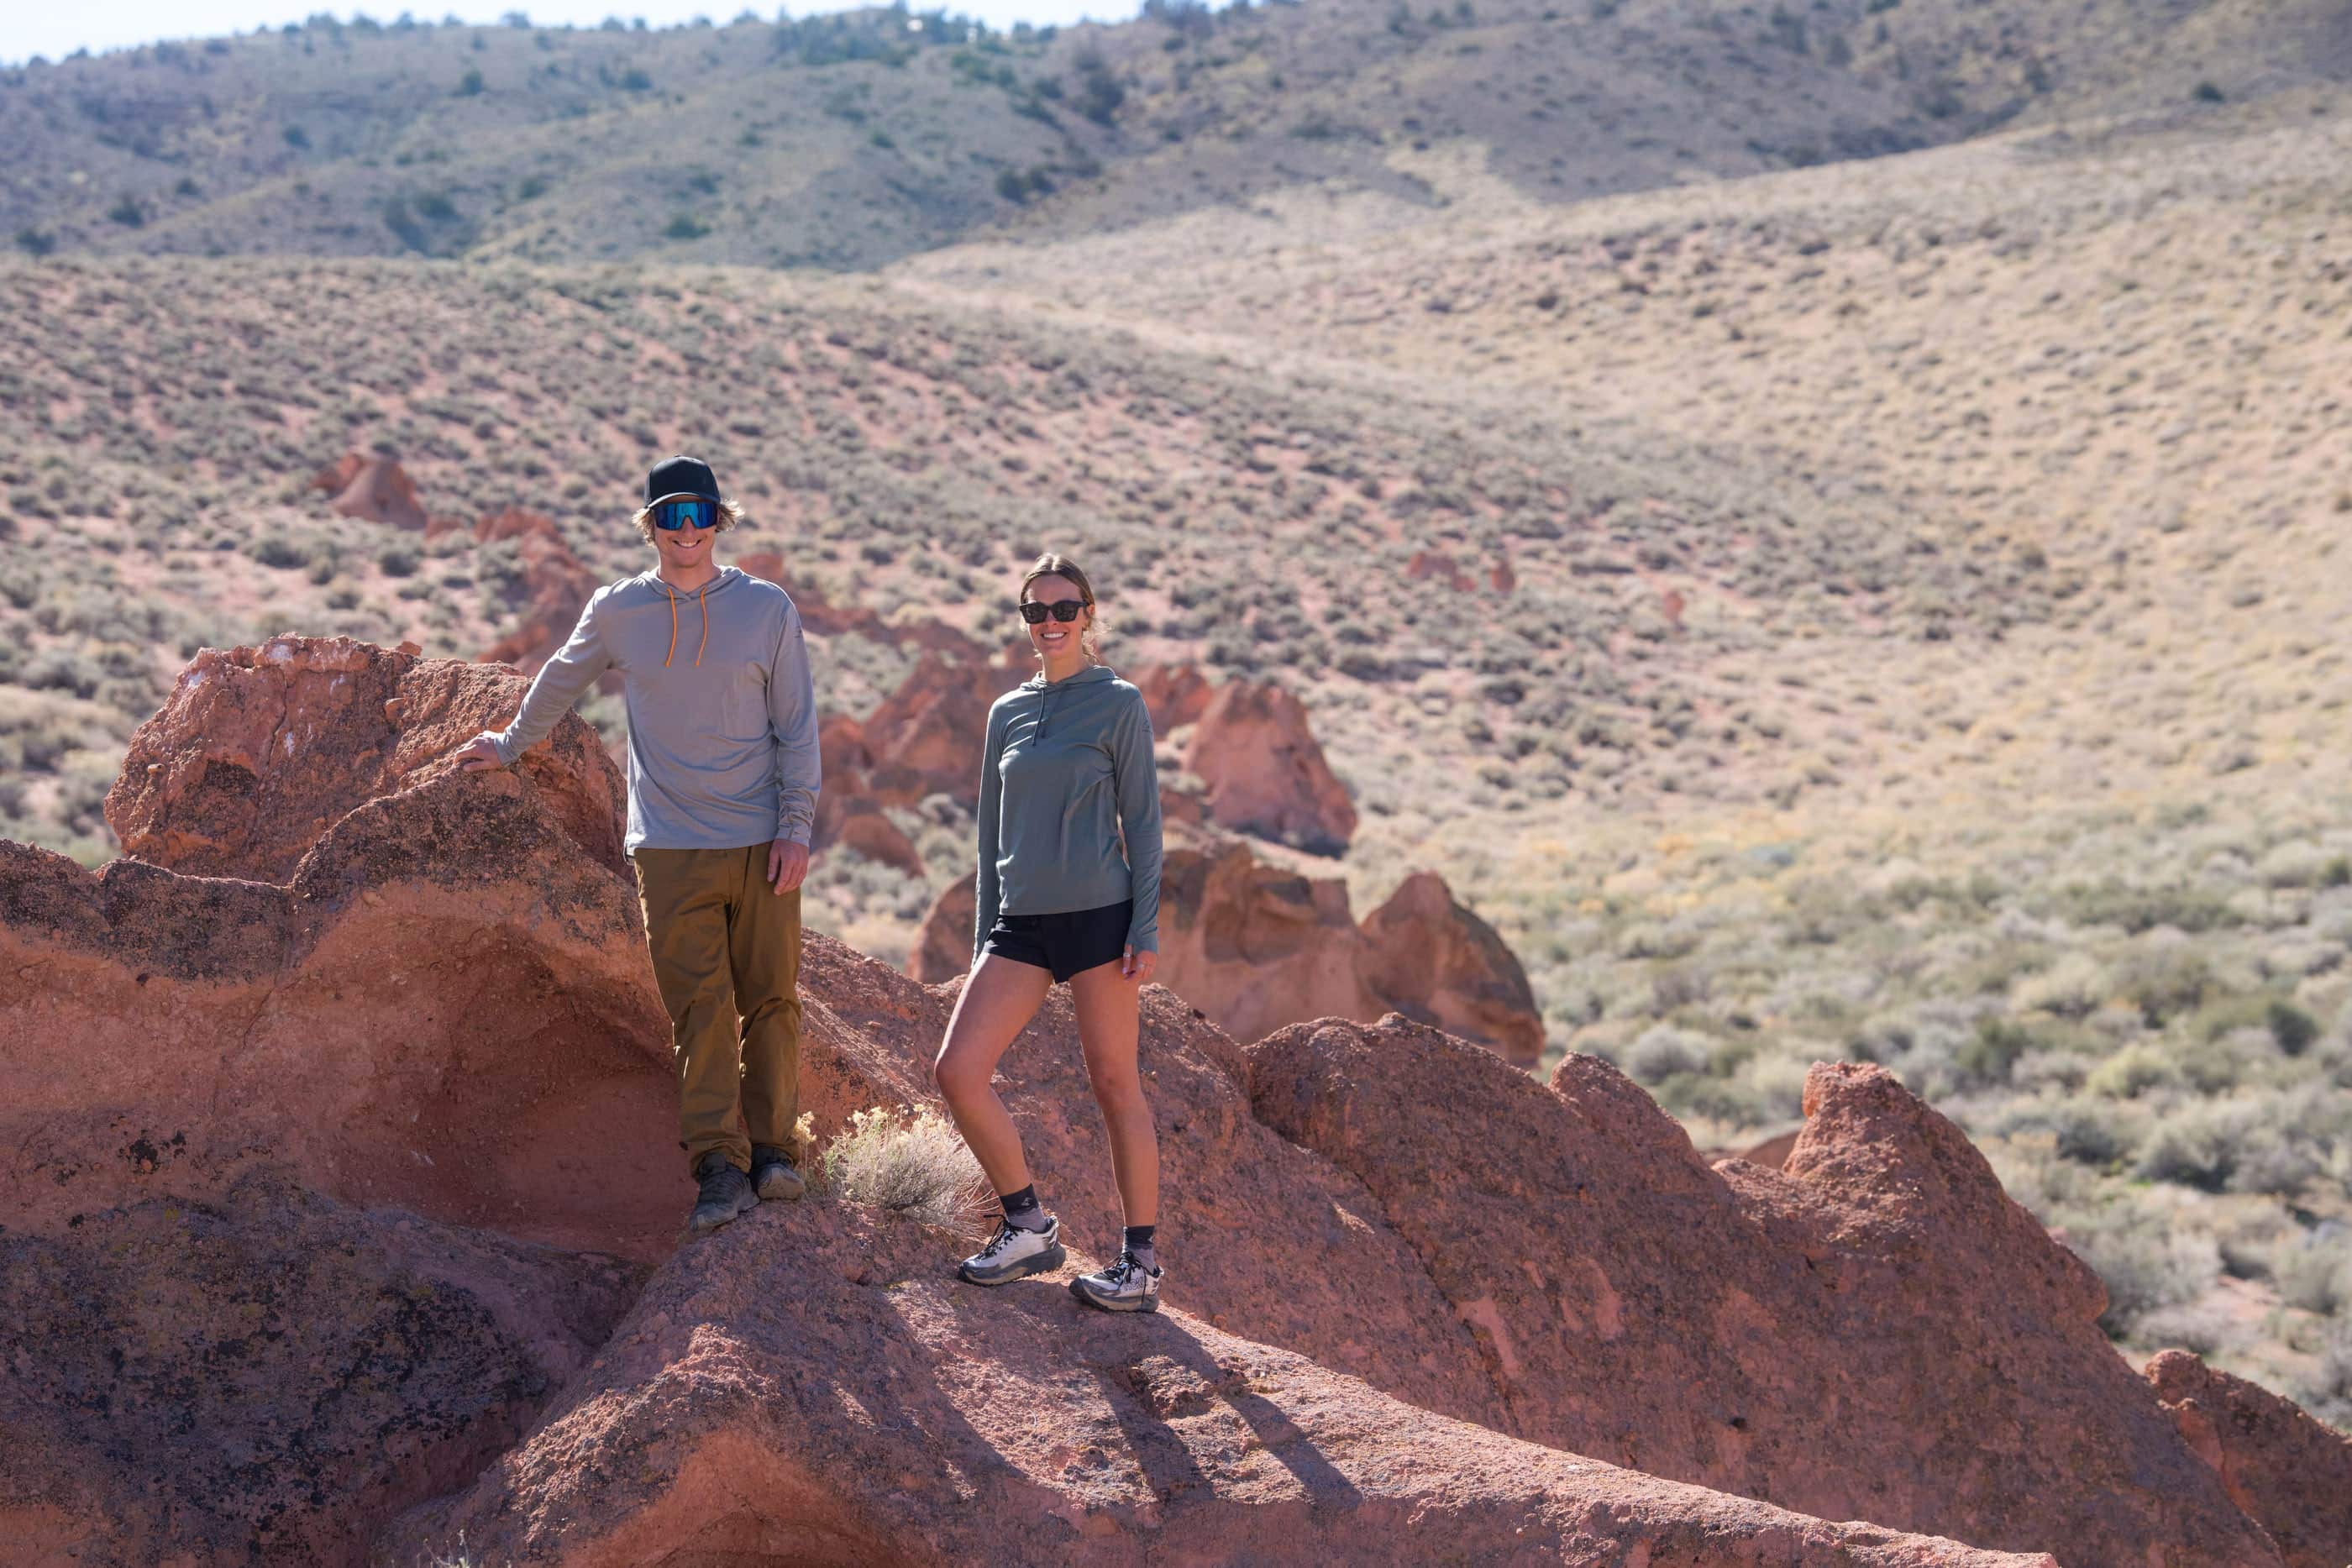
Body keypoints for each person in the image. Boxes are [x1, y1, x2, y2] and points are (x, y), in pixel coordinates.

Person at [448, 456, 821, 1237]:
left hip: (760, 839)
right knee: (700, 1008)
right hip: (670, 844)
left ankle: (775, 1153)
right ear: (649, 526)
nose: (686, 531)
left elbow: (797, 724)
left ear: (721, 522)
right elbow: (560, 676)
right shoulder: (619, 610)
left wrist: (795, 826)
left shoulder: (765, 608)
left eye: (699, 515)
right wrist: (510, 743)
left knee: (773, 1000)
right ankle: (718, 1167)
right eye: (670, 516)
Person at [932, 553, 1167, 1312]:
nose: (1052, 623)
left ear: (1088, 614)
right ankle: (1029, 1224)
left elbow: (1145, 823)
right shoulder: (1008, 712)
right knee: (958, 1069)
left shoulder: (1118, 703)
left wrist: (1146, 924)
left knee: (1113, 1084)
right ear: (1025, 623)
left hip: (1101, 917)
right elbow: (987, 838)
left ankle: (1140, 1265)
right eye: (1037, 612)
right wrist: (981, 948)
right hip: (1021, 925)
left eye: (1065, 608)